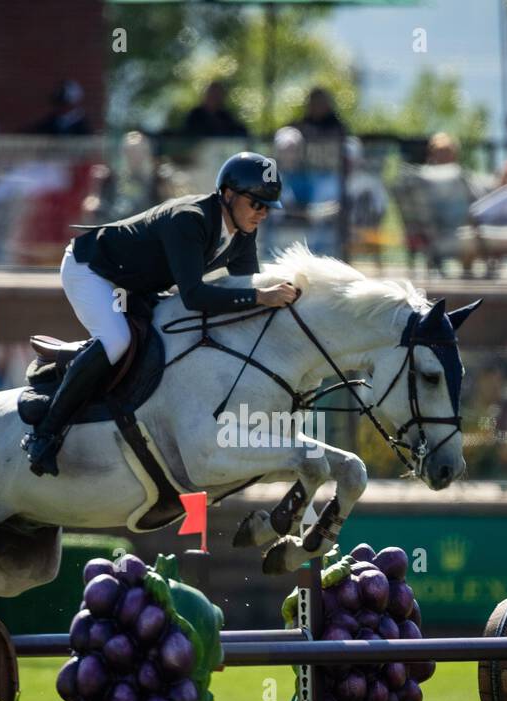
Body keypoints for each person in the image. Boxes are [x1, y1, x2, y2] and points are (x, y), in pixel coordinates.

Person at [23, 151, 300, 476]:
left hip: (137, 283)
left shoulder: (243, 233)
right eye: (257, 204)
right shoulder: (190, 218)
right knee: (116, 340)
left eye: (268, 207)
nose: (263, 213)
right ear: (228, 194)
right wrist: (261, 297)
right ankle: (45, 433)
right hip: (93, 271)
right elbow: (196, 296)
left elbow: (244, 287)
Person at [182, 81, 248, 138]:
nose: (214, 97)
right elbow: (190, 135)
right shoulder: (195, 115)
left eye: (217, 94)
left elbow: (237, 131)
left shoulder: (225, 116)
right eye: (211, 94)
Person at [26, 80, 93, 136]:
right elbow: (36, 130)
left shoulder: (82, 125)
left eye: (63, 104)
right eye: (57, 104)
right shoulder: (52, 120)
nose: (60, 108)